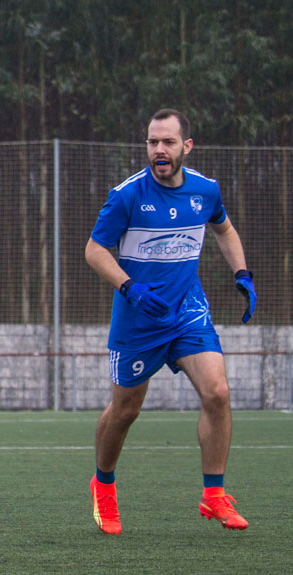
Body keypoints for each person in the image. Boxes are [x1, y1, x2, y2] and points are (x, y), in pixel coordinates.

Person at [85, 108, 257, 535]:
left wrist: (242, 274)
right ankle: (103, 484)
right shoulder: (126, 195)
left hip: (187, 312)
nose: (158, 150)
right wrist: (130, 287)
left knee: (217, 392)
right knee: (126, 410)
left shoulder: (205, 190)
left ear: (186, 146)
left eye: (167, 142)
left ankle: (213, 496)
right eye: (151, 142)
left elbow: (224, 229)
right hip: (137, 319)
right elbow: (94, 250)